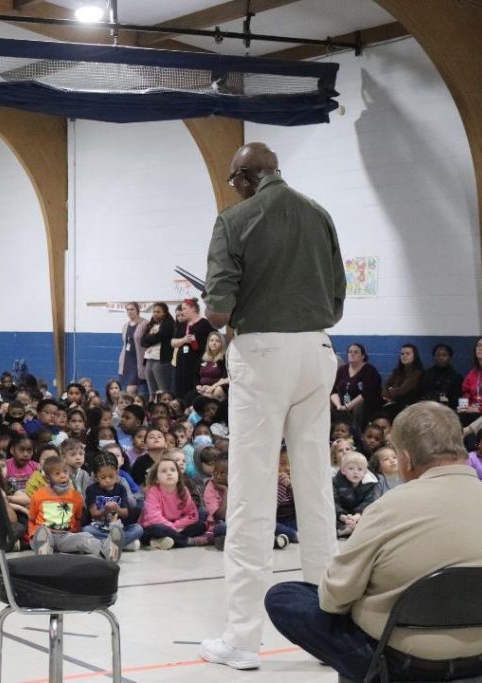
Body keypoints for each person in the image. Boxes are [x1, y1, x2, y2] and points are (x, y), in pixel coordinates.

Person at [200, 142, 345, 670]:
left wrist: (226, 312)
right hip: (317, 351)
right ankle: (331, 630)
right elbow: (336, 299)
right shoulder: (319, 214)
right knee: (315, 490)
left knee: (252, 493)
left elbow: (217, 311)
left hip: (262, 354)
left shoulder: (234, 219)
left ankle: (241, 639)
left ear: (243, 178)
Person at [265, 402, 482, 682]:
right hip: (478, 656)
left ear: (406, 458)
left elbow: (334, 598)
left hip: (399, 663)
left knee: (285, 597)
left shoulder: (390, 507)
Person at [331, 343, 383, 428]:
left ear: (362, 356)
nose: (352, 354)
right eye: (350, 352)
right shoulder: (342, 370)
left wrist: (349, 406)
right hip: (343, 403)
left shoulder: (370, 371)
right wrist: (338, 405)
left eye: (356, 352)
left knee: (359, 406)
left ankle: (356, 431)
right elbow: (334, 390)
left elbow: (366, 393)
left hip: (364, 404)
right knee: (329, 402)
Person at [171, 299, 215, 399]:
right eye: (182, 309)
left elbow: (214, 342)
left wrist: (197, 341)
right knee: (180, 390)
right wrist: (183, 340)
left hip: (196, 362)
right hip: (181, 363)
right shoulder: (182, 324)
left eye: (184, 309)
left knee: (193, 390)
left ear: (193, 309)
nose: (182, 312)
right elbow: (173, 343)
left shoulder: (204, 324)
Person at [140, 302, 175, 398]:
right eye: (154, 311)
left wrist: (150, 339)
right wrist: (151, 339)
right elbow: (142, 342)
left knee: (162, 390)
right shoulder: (150, 325)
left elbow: (158, 337)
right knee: (152, 390)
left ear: (165, 313)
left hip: (161, 360)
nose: (155, 314)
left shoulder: (168, 325)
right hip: (149, 359)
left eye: (158, 312)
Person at [380, 344, 423, 415]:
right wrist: (386, 395)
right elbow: (386, 385)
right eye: (402, 354)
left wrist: (391, 391)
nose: (404, 356)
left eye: (408, 354)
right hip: (392, 401)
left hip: (408, 404)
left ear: (415, 356)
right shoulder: (397, 371)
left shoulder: (417, 372)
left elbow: (403, 390)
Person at [117, 302, 148, 396]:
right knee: (131, 389)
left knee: (131, 389)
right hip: (127, 359)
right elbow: (125, 343)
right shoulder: (126, 325)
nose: (130, 311)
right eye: (128, 309)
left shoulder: (144, 324)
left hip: (138, 359)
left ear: (137, 310)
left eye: (132, 309)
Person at [420, 343, 463, 408]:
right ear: (434, 357)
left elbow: (457, 400)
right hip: (428, 409)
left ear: (450, 357)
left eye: (444, 355)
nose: (440, 358)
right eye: (437, 355)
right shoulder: (426, 374)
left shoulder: (456, 377)